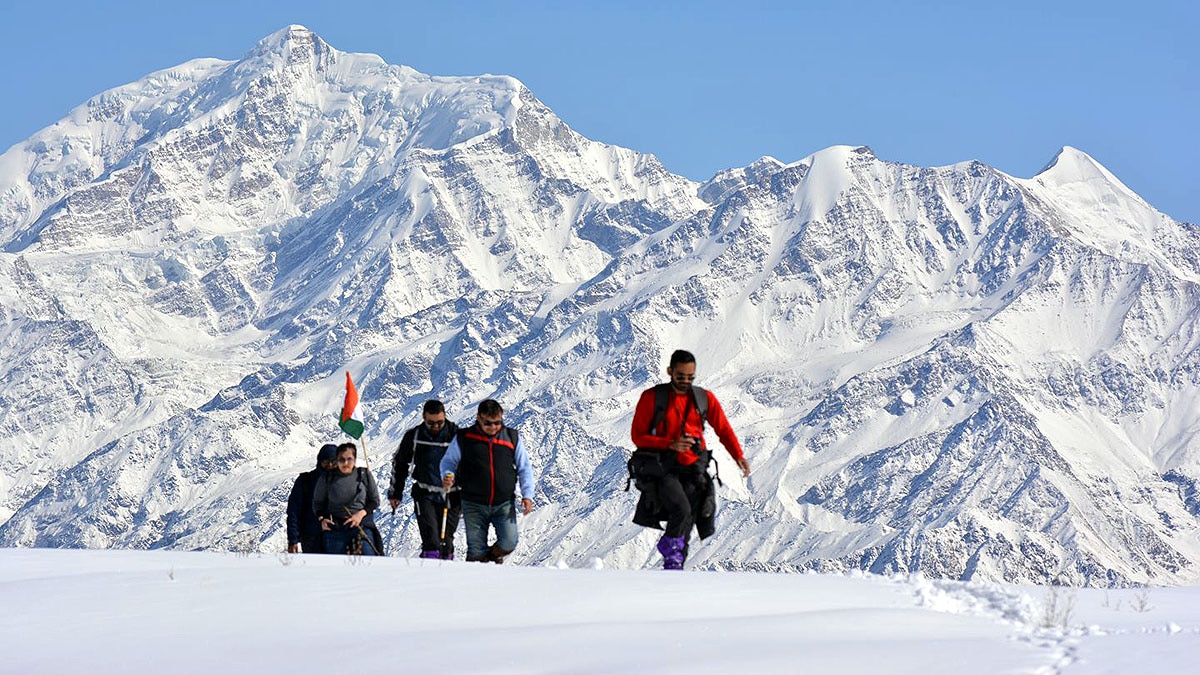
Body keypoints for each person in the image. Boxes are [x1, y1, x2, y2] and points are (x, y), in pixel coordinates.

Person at [629, 349, 751, 570]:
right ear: (670, 372)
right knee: (681, 510)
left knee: (688, 520)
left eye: (690, 377)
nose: (685, 381)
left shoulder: (703, 399)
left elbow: (722, 428)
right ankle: (668, 548)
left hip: (694, 468)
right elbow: (638, 436)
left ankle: (674, 566)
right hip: (662, 468)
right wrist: (669, 443)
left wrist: (738, 456)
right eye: (680, 376)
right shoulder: (652, 398)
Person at [440, 399, 535, 564]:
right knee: (476, 550)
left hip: (503, 502)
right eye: (488, 423)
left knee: (509, 541)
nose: (493, 427)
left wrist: (527, 495)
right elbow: (448, 462)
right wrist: (448, 474)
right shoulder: (464, 438)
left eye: (497, 423)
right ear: (478, 418)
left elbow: (524, 467)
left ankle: (491, 556)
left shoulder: (511, 438)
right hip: (473, 502)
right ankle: (474, 582)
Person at [388, 400, 462, 559]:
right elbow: (400, 463)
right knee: (431, 541)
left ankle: (446, 578)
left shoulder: (456, 436)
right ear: (423, 418)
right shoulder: (414, 436)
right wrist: (395, 493)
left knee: (446, 543)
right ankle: (427, 577)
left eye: (439, 423)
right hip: (425, 494)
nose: (435, 427)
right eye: (431, 423)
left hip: (452, 495)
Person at [313, 442, 385, 556]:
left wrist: (360, 515)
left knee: (368, 560)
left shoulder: (363, 475)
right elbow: (318, 503)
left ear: (355, 460)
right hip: (335, 529)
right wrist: (322, 519)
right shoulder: (327, 478)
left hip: (361, 527)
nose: (345, 463)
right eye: (341, 459)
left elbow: (374, 500)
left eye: (349, 459)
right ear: (337, 460)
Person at [286, 444, 338, 553]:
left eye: (333, 462)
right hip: (312, 538)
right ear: (319, 462)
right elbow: (293, 512)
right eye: (325, 462)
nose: (329, 465)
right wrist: (292, 540)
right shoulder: (306, 481)